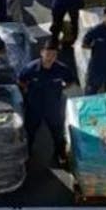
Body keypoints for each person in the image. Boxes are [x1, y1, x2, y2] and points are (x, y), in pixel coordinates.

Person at [18, 40, 74, 168]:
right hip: (34, 107)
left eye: (53, 55)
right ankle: (27, 154)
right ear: (42, 53)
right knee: (30, 132)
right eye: (47, 54)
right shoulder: (30, 68)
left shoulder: (62, 69)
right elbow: (21, 81)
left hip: (52, 107)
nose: (50, 58)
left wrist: (60, 89)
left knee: (57, 133)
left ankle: (60, 154)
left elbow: (70, 81)